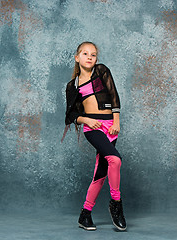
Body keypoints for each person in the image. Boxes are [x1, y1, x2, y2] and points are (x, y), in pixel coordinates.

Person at [62, 41, 127, 231]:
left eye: (93, 54)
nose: (89, 57)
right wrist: (87, 121)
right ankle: (116, 204)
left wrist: (116, 122)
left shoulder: (101, 71)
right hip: (93, 128)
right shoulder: (72, 85)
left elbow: (114, 95)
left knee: (100, 173)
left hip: (110, 126)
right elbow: (70, 115)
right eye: (85, 54)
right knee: (115, 160)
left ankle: (85, 214)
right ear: (77, 58)